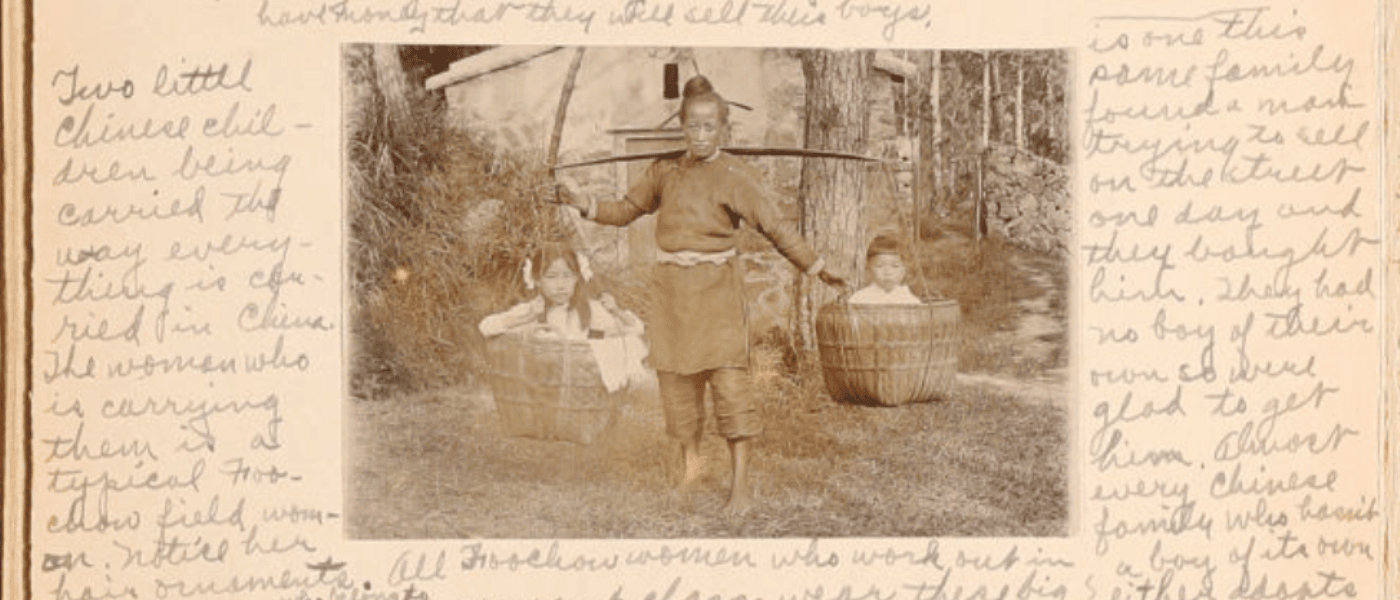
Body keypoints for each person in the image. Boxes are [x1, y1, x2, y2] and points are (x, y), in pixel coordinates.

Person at [557, 75, 846, 514]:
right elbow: (625, 210)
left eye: (710, 126)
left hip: (717, 299)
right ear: (682, 128)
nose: (700, 134)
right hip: (671, 297)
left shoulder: (736, 176)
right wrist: (582, 203)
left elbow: (776, 227)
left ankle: (741, 486)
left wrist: (818, 267)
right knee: (677, 392)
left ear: (724, 130)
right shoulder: (664, 170)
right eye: (692, 126)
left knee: (731, 390)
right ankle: (690, 470)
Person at [479, 242, 648, 391]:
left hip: (585, 389)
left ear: (577, 278)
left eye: (567, 276)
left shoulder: (588, 311)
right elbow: (486, 326)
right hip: (543, 390)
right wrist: (526, 318)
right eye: (551, 277)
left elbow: (635, 329)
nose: (561, 285)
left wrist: (616, 311)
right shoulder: (533, 310)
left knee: (611, 340)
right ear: (537, 280)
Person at [848, 235, 922, 305]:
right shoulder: (859, 299)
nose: (888, 272)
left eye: (895, 266)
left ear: (904, 270)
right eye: (879, 266)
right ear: (869, 268)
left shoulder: (910, 300)